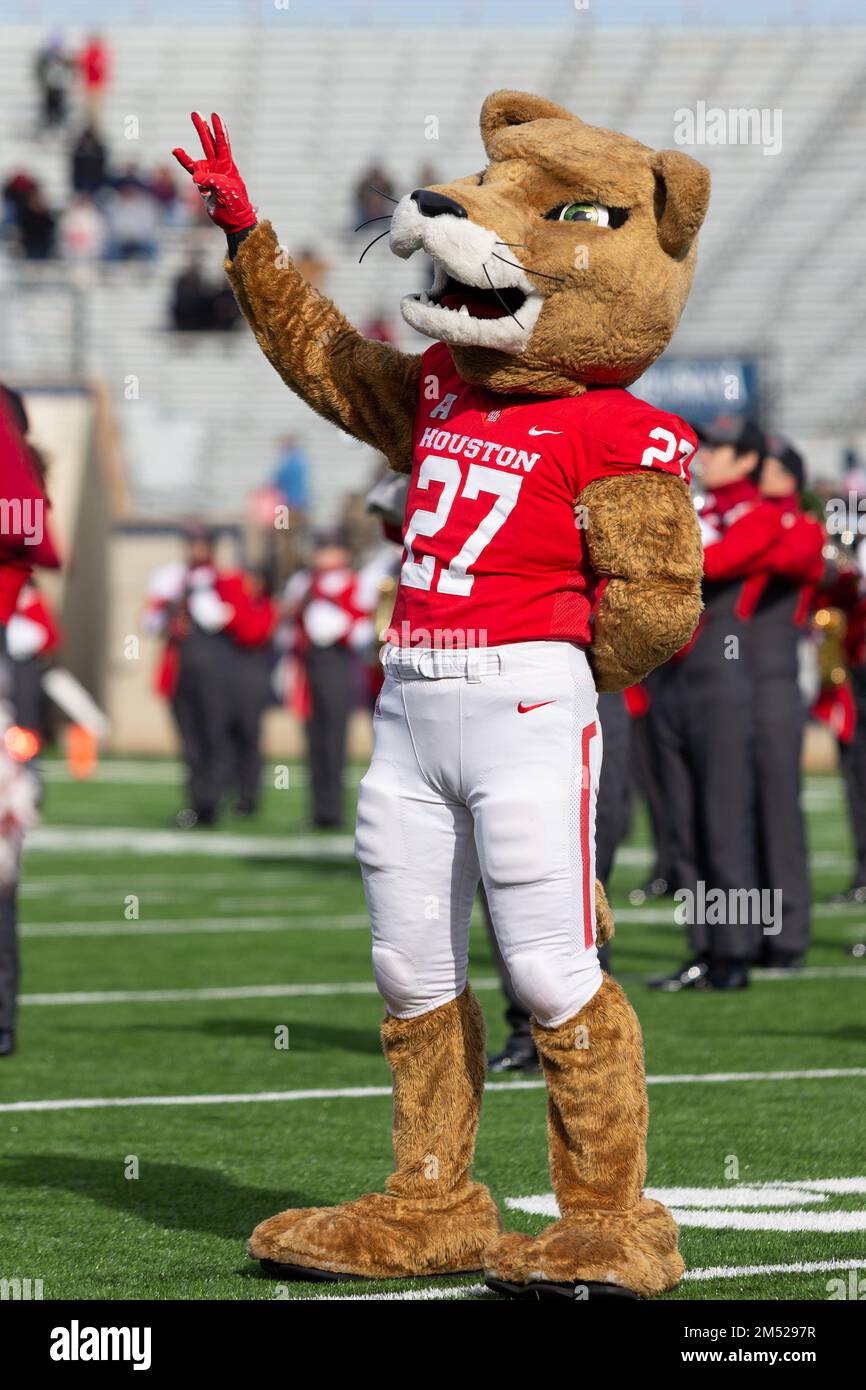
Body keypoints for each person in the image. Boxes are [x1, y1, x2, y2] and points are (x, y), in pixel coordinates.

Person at [648, 418, 773, 992]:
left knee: (724, 822)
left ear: (747, 460)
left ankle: (737, 951)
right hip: (672, 678)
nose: (708, 455)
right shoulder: (695, 505)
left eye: (720, 448)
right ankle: (702, 946)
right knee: (683, 823)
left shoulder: (758, 512)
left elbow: (713, 563)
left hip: (721, 676)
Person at [749, 438, 825, 968]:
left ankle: (789, 933)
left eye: (772, 469)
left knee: (778, 807)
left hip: (774, 679)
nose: (761, 476)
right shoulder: (752, 518)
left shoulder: (797, 525)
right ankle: (749, 929)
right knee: (739, 812)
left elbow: (791, 557)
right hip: (735, 680)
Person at [283, 532, 387, 828]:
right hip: (309, 664)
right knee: (313, 739)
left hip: (338, 662)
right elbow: (290, 623)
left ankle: (334, 812)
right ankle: (318, 810)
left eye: (329, 550)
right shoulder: (303, 582)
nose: (322, 556)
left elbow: (361, 627)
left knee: (334, 739)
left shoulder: (355, 582)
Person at [225, 567, 278, 815]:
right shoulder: (241, 602)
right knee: (227, 738)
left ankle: (249, 796)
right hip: (232, 675)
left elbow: (250, 632)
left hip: (252, 676)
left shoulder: (264, 606)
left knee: (249, 738)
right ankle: (229, 790)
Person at [34, 33, 73, 131]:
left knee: (60, 108)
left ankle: (59, 125)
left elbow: (71, 71)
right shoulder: (45, 57)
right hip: (49, 88)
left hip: (60, 88)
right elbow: (39, 71)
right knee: (48, 108)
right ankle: (47, 126)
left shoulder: (65, 58)